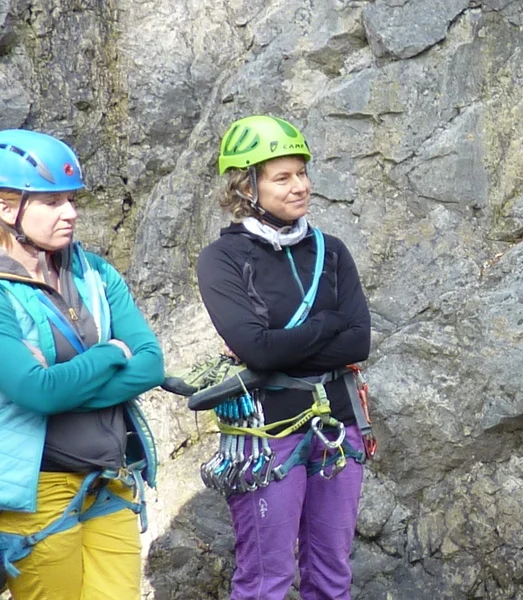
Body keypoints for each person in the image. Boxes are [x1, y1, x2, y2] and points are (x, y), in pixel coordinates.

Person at [0, 128, 165, 598]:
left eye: (70, 199)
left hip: (108, 480)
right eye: (52, 201)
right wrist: (109, 354)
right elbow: (36, 393)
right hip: (35, 492)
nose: (71, 212)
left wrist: (62, 385)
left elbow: (149, 364)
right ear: (6, 209)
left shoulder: (95, 273)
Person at [195, 115, 373, 600]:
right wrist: (327, 325)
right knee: (265, 579)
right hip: (266, 431)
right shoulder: (223, 259)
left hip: (338, 423)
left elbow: (359, 342)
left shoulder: (330, 251)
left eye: (302, 173)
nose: (301, 186)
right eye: (283, 177)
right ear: (247, 186)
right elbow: (256, 348)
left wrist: (283, 346)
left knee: (332, 570)